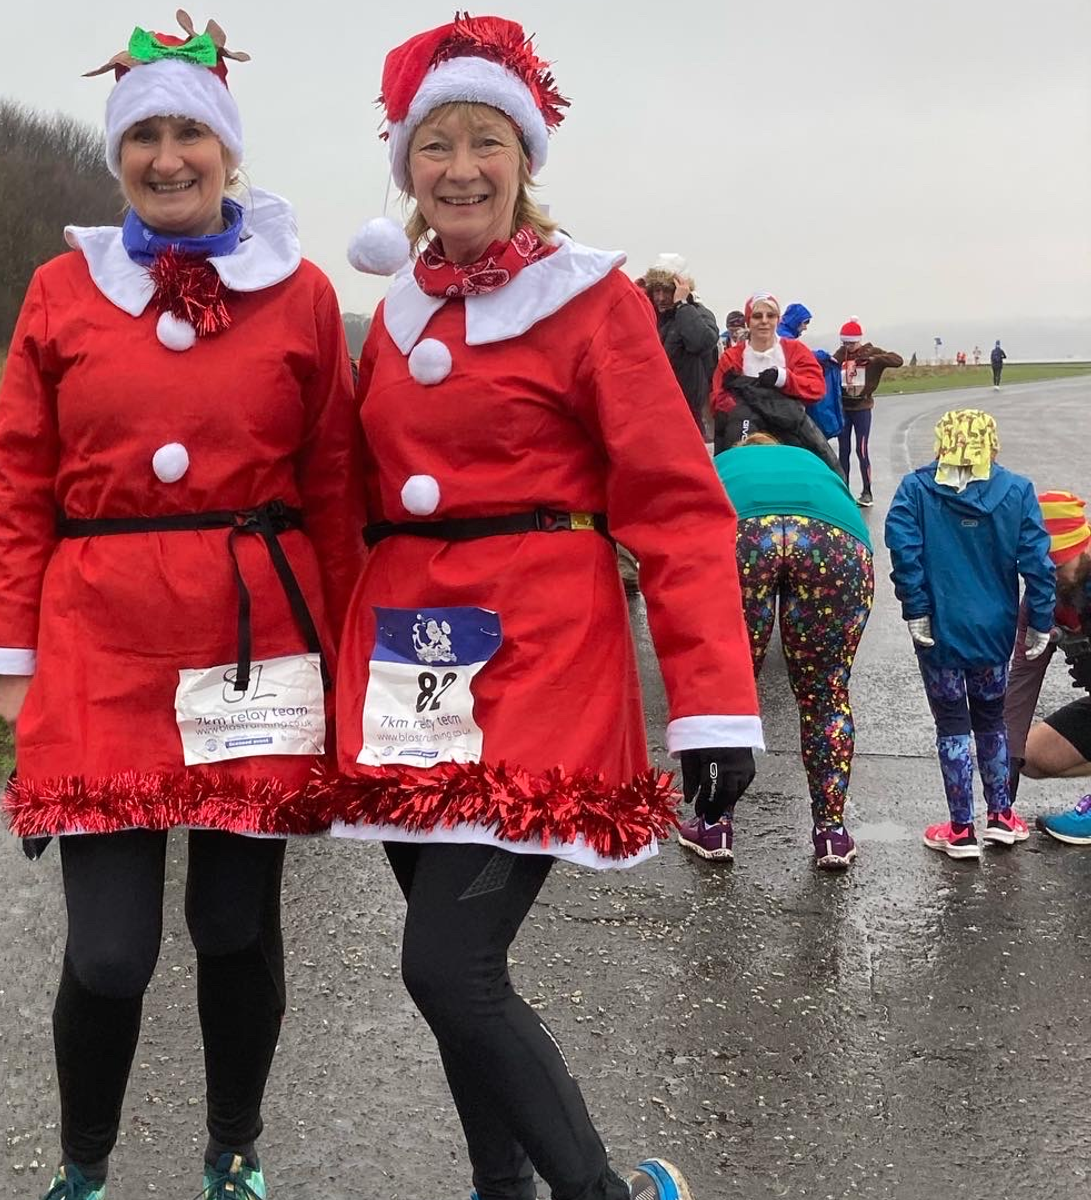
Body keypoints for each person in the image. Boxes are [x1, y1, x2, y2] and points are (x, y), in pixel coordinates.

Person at [334, 16, 761, 1199]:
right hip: (408, 674)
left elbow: (675, 507)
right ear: (404, 168)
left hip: (538, 665)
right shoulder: (399, 312)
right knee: (448, 975)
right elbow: (348, 505)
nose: (458, 167)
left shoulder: (593, 301)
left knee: (449, 970)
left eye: (484, 140)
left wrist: (715, 707)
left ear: (524, 160)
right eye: (433, 145)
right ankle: (501, 1186)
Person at [0, 15, 362, 1199]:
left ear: (229, 149)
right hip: (100, 641)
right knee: (109, 950)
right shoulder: (61, 289)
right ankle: (84, 1169)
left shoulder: (295, 295)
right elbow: (13, 478)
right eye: (145, 135)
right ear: (117, 153)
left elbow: (334, 487)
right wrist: (8, 652)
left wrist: (345, 656)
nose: (169, 155)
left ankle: (232, 1149)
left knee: (234, 931)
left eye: (192, 131)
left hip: (259, 642)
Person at [884, 410, 1055, 860]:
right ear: (991, 445)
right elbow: (1038, 562)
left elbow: (905, 552)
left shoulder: (916, 491)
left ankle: (961, 828)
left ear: (942, 444)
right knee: (991, 719)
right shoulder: (1017, 492)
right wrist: (1039, 619)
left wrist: (916, 607)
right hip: (994, 631)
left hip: (939, 629)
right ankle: (1001, 815)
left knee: (952, 725)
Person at [712, 433, 875, 868]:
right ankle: (831, 833)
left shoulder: (725, 464)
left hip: (741, 534)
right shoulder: (809, 462)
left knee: (729, 687)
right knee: (826, 693)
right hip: (834, 538)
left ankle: (714, 823)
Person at [1003, 491, 1091, 841]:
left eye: (1055, 566)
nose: (1048, 578)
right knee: (1032, 754)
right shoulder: (1045, 599)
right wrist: (1003, 775)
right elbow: (1023, 678)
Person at [710, 293, 835, 469]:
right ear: (748, 321)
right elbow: (717, 397)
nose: (764, 321)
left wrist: (784, 379)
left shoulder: (795, 350)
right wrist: (742, 408)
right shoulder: (732, 357)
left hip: (789, 428)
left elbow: (816, 388)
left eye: (770, 316)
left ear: (778, 319)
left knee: (826, 467)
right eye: (757, 316)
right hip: (747, 431)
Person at [639, 255, 720, 438]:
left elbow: (703, 341)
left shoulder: (699, 314)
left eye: (666, 291)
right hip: (651, 409)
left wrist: (682, 306)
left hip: (687, 412)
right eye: (656, 291)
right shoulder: (650, 317)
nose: (660, 298)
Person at [834, 317, 903, 508]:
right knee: (843, 450)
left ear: (859, 340)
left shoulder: (871, 352)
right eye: (845, 343)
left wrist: (874, 359)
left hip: (862, 409)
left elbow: (898, 360)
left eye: (852, 343)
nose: (849, 347)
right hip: (844, 409)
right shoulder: (841, 354)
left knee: (861, 449)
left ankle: (867, 491)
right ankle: (844, 489)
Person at [778, 301, 845, 446]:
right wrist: (824, 356)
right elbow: (803, 354)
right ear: (795, 321)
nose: (805, 327)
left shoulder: (783, 334)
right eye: (804, 323)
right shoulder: (783, 337)